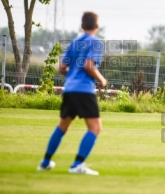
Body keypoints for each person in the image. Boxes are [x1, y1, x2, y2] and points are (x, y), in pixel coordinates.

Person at [37, 11, 107, 175]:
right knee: (95, 127)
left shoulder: (75, 42)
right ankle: (77, 165)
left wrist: (72, 78)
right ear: (97, 26)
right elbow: (89, 66)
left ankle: (45, 162)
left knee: (62, 127)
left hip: (70, 89)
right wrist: (102, 80)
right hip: (84, 90)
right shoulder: (96, 42)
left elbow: (62, 67)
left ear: (82, 26)